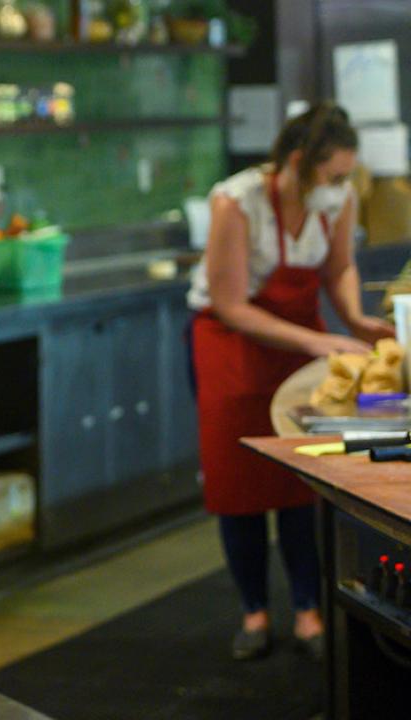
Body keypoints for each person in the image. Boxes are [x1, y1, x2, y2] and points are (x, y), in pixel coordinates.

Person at [188, 102, 395, 661]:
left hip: (303, 339)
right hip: (231, 347)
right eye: (333, 175)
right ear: (299, 162)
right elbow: (230, 304)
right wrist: (318, 341)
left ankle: (308, 609)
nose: (341, 187)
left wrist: (352, 318)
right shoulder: (237, 202)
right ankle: (254, 610)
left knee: (304, 480)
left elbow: (339, 268)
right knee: (240, 489)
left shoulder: (338, 201)